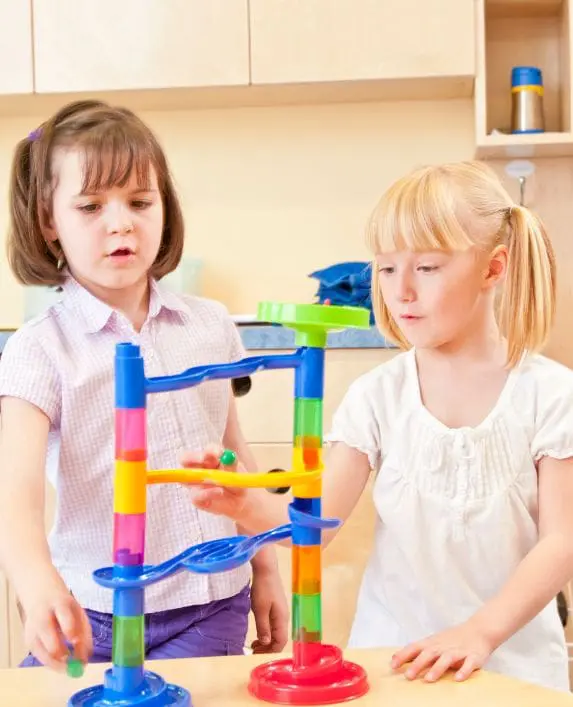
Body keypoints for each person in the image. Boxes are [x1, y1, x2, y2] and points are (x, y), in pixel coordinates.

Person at [182, 160, 573, 692]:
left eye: (427, 268)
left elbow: (562, 541)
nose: (400, 290)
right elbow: (316, 530)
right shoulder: (376, 397)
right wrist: (242, 503)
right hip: (398, 664)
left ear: (493, 268)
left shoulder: (551, 394)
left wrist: (479, 633)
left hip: (515, 670)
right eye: (386, 269)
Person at [0, 99, 288, 672]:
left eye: (139, 201)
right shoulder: (39, 348)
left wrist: (267, 566)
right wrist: (35, 584)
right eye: (90, 206)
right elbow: (16, 489)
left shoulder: (211, 325)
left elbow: (236, 458)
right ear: (48, 221)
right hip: (92, 607)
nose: (121, 222)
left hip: (209, 601)